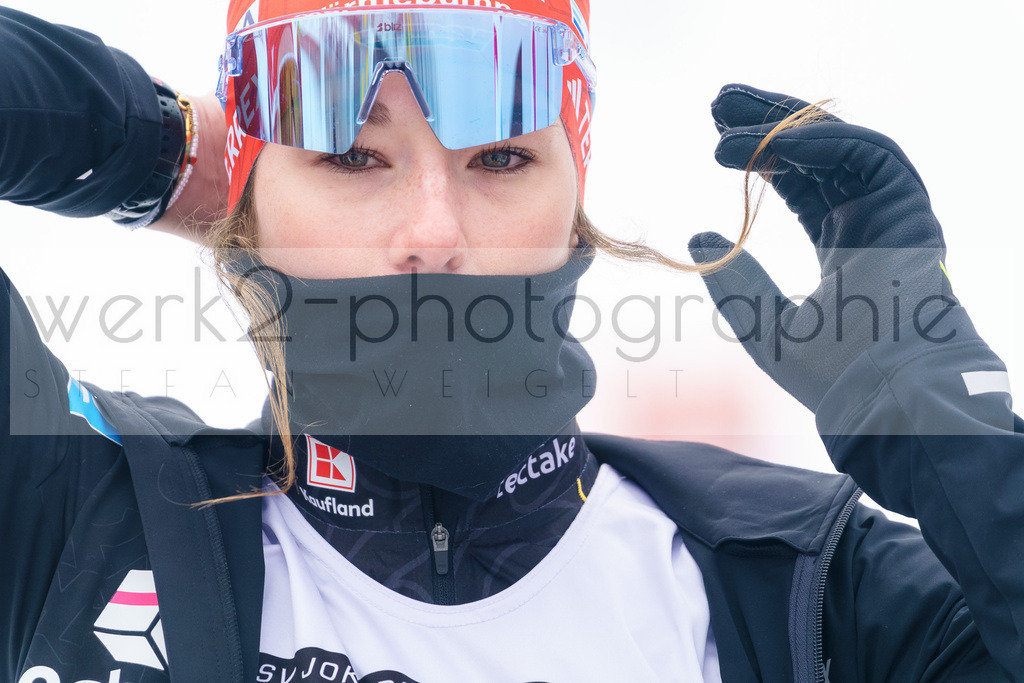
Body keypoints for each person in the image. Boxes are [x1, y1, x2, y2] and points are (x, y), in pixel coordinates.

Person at [1, 2, 1022, 683]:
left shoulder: (798, 578)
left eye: (498, 155)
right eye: (353, 158)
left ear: (573, 205)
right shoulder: (77, 509)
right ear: (252, 202)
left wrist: (971, 466)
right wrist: (176, 153)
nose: (434, 230)